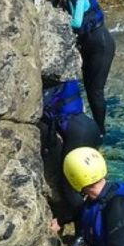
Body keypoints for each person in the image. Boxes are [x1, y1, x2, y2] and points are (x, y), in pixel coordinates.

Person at [41, 0, 115, 137]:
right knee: (88, 88)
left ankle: (101, 131)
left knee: (95, 91)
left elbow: (76, 22)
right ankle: (91, 125)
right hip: (89, 46)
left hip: (100, 45)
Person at [42, 78, 103, 234]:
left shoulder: (49, 82)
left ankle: (81, 231)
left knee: (70, 187)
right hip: (87, 127)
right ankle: (90, 222)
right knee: (85, 186)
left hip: (79, 133)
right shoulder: (65, 77)